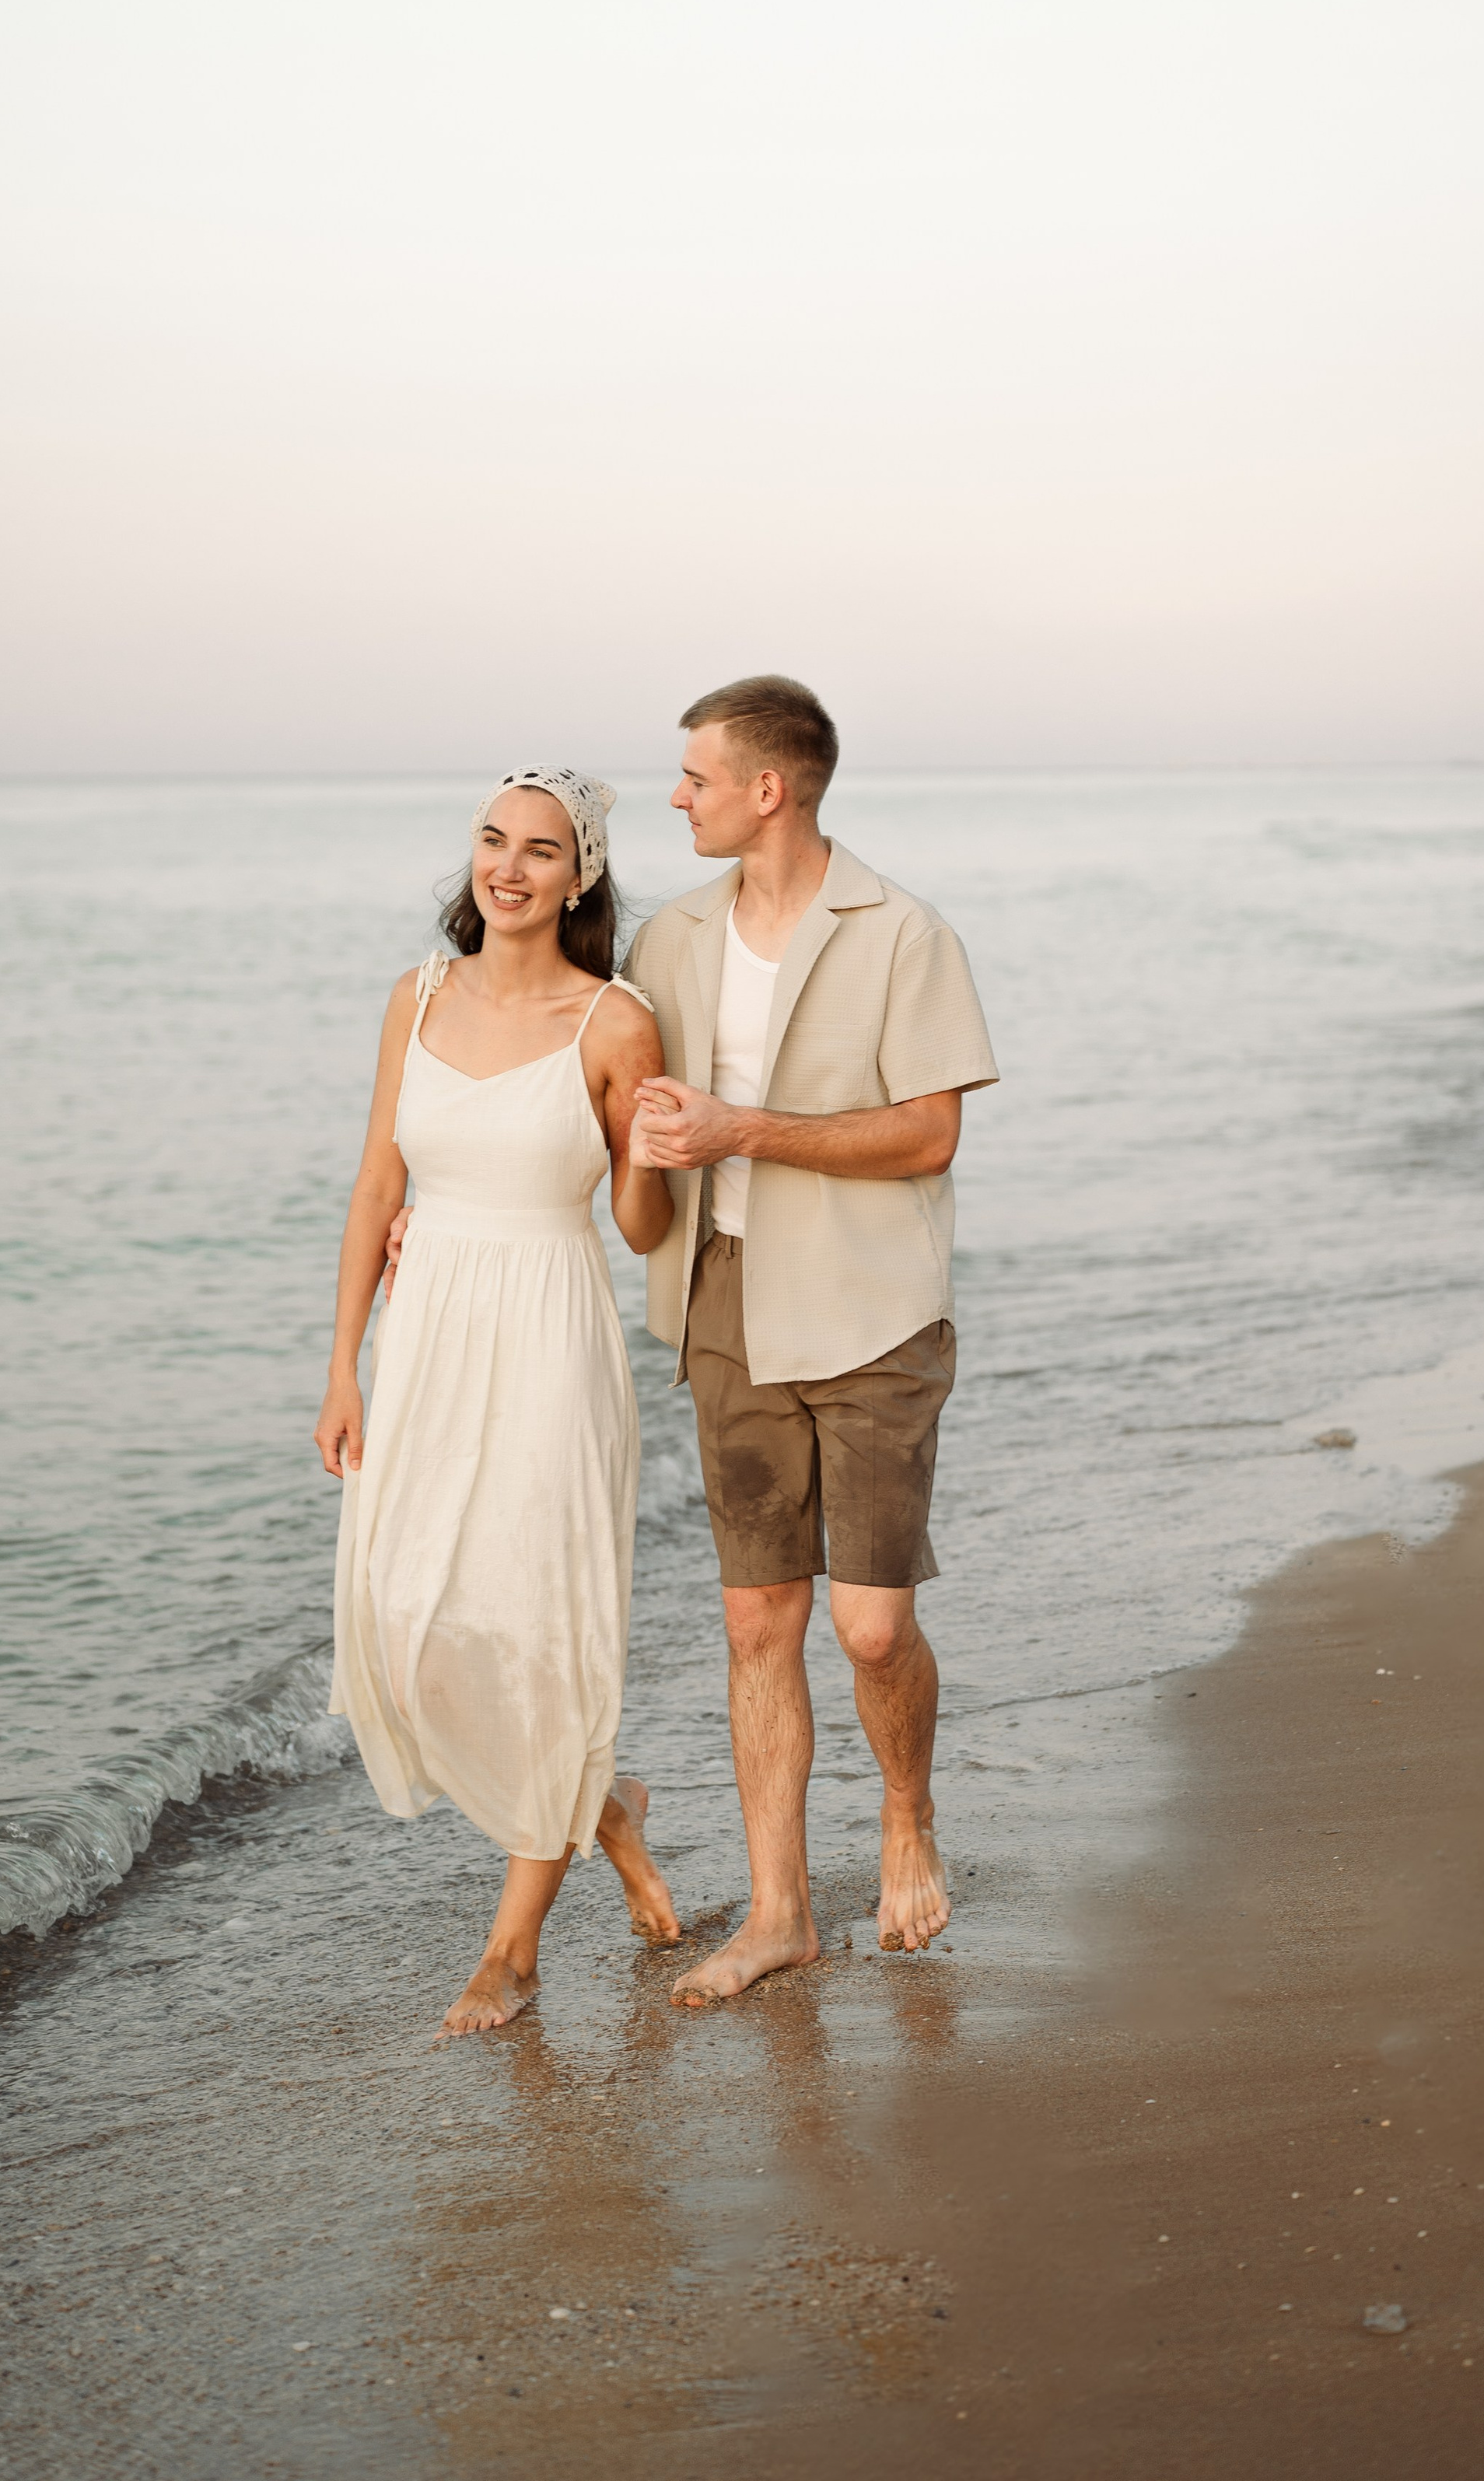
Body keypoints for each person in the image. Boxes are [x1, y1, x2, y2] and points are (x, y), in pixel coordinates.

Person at [624, 677, 999, 2003]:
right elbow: (609, 1092)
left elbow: (930, 1134)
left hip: (875, 1309)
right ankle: (780, 1911)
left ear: (767, 790)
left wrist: (744, 1130)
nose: (678, 795)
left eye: (697, 777)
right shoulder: (668, 938)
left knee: (873, 1629)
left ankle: (907, 1817)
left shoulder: (902, 933)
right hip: (721, 1298)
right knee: (754, 1621)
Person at [316, 766, 682, 2036]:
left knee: (540, 1629)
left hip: (549, 1329)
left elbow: (642, 1228)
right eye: (491, 840)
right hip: (424, 1337)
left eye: (541, 850)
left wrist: (650, 1148)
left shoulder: (617, 1023)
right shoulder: (415, 997)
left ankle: (512, 1951)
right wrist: (342, 1366)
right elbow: (376, 1188)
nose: (508, 868)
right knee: (399, 1620)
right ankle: (606, 1807)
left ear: (580, 877)